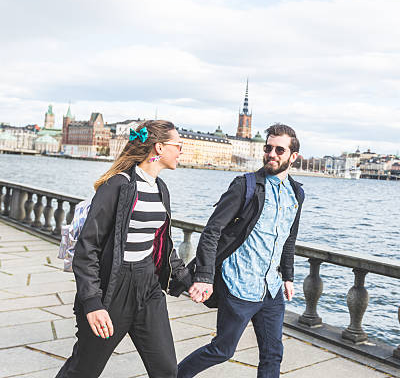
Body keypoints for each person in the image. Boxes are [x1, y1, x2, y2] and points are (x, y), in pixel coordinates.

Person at [56, 120, 192, 378]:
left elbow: (162, 242)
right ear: (159, 148)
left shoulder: (161, 189)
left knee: (166, 370)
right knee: (83, 370)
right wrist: (92, 302)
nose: (181, 151)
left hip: (148, 286)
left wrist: (186, 279)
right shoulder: (117, 186)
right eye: (178, 145)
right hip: (113, 289)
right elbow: (88, 248)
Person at [177, 123, 305, 378]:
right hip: (239, 284)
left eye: (280, 150)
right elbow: (212, 230)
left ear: (293, 157)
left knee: (273, 354)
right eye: (268, 148)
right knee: (222, 350)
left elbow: (289, 238)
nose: (271, 154)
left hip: (271, 288)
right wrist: (204, 277)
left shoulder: (296, 194)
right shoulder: (245, 186)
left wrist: (288, 276)